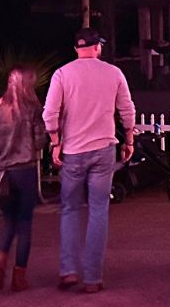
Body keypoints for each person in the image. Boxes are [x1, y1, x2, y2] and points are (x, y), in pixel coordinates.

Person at [43, 27, 136, 293]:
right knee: (98, 210)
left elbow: (50, 113)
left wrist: (55, 142)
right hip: (103, 149)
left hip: (73, 150)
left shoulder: (62, 74)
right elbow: (126, 109)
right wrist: (129, 140)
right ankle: (93, 277)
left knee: (70, 209)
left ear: (76, 49)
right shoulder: (113, 73)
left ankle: (68, 270)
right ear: (97, 47)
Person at [0, 67, 44, 292]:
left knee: (9, 219)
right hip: (24, 170)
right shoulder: (32, 109)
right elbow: (39, 142)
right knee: (25, 222)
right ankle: (19, 276)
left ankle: (0, 260)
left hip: (1, 171)